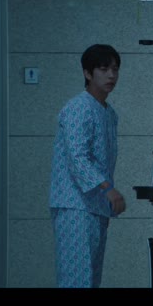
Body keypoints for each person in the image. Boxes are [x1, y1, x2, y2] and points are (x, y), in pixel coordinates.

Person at [49, 44, 127, 288]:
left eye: (115, 69)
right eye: (103, 69)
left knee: (91, 279)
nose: (111, 75)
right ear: (87, 73)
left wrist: (106, 198)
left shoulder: (109, 113)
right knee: (77, 279)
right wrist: (108, 189)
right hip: (75, 205)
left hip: (96, 206)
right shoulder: (78, 107)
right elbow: (78, 157)